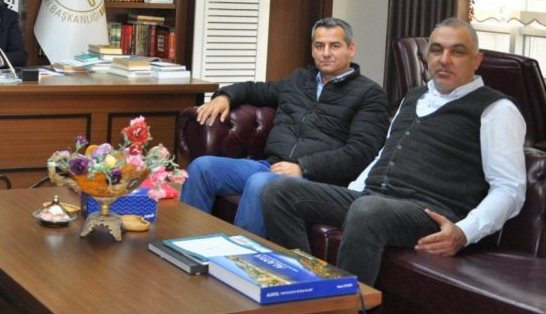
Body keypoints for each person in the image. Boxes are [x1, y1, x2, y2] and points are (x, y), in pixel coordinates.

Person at [262, 17, 527, 286]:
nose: (444, 59)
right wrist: (350, 194)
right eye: (436, 50)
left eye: (457, 52)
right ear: (427, 56)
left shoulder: (497, 109)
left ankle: (345, 307)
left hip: (430, 213)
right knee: (278, 190)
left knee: (367, 209)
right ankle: (303, 287)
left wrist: (463, 232)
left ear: (477, 60)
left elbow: (509, 189)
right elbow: (383, 155)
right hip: (374, 200)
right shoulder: (413, 97)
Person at [180, 17, 389, 237]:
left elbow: (361, 152)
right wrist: (225, 96)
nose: (326, 53)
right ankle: (187, 245)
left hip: (317, 180)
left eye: (334, 46)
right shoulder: (299, 79)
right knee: (201, 168)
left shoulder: (370, 94)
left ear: (351, 48)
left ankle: (239, 256)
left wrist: (303, 167)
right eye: (319, 46)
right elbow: (255, 89)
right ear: (312, 50)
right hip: (270, 166)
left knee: (260, 183)